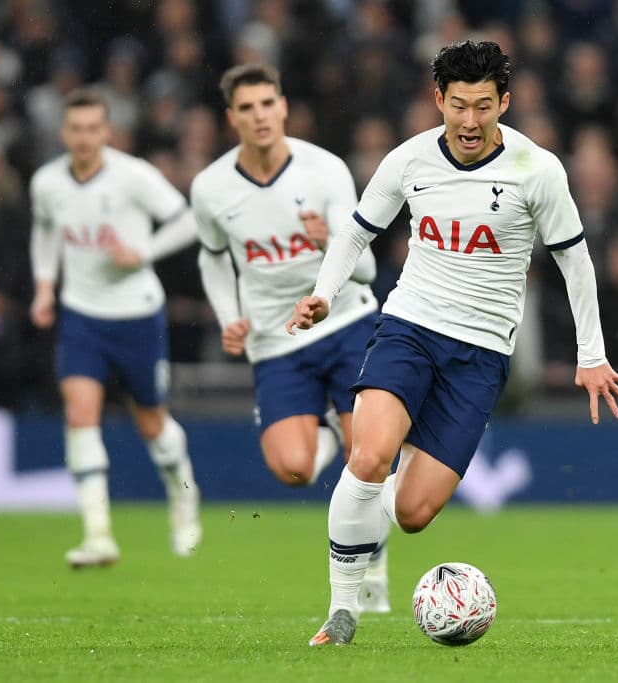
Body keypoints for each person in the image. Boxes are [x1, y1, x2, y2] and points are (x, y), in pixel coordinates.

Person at [286, 40, 618, 646]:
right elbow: (356, 232)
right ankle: (343, 612)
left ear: (505, 102)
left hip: (479, 355)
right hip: (409, 328)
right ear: (438, 101)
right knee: (368, 456)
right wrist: (324, 292)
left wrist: (591, 354)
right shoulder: (409, 161)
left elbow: (575, 262)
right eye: (457, 106)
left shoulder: (537, 170)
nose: (469, 122)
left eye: (483, 106)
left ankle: (367, 516)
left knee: (415, 513)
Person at [191, 64, 388, 611]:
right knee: (293, 469)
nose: (259, 116)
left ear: (283, 107)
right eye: (246, 107)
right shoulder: (210, 188)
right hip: (276, 341)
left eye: (267, 103)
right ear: (232, 118)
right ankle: (328, 426)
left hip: (346, 323)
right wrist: (228, 314)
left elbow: (368, 269)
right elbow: (211, 258)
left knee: (369, 454)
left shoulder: (324, 170)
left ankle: (374, 573)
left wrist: (334, 245)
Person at [29, 88, 201, 568]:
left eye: (93, 129)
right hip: (81, 315)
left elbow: (187, 221)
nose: (84, 138)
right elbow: (44, 233)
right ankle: (98, 534)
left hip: (137, 315)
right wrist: (45, 287)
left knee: (153, 424)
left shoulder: (134, 177)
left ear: (106, 132)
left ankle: (183, 494)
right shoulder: (46, 183)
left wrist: (141, 253)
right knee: (80, 414)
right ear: (64, 133)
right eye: (75, 129)